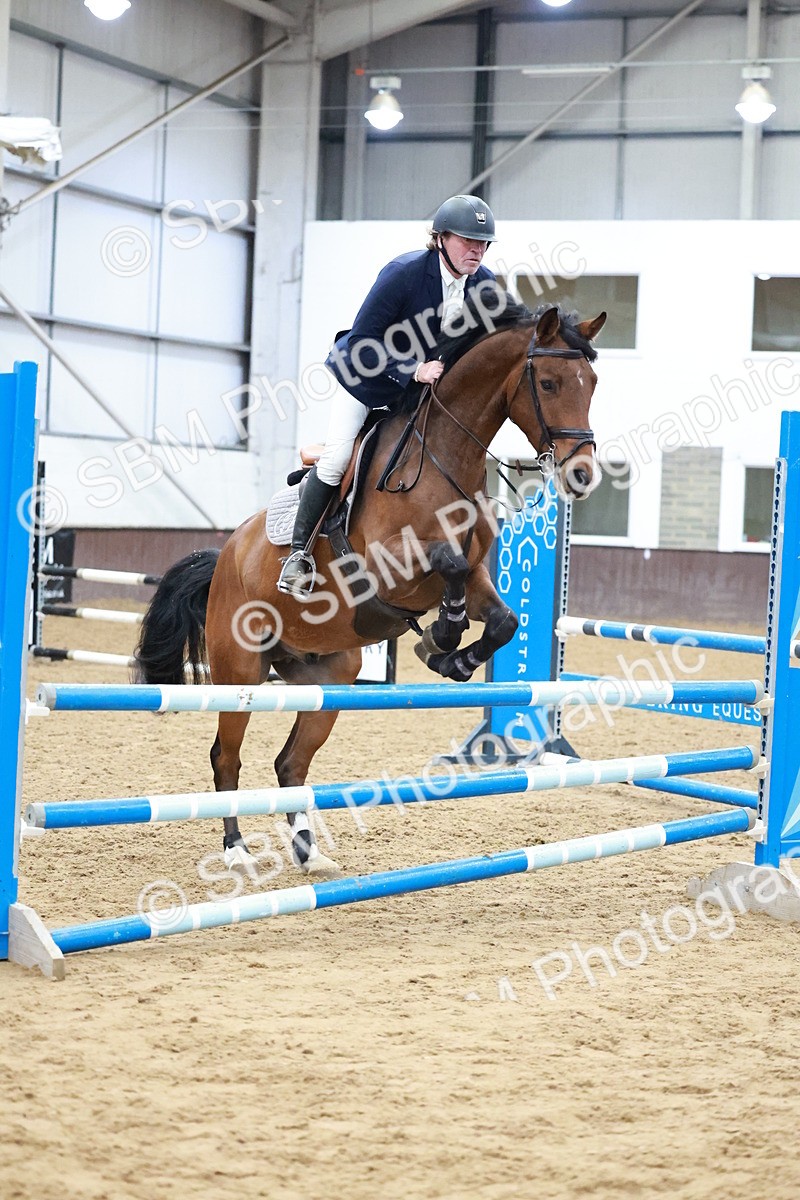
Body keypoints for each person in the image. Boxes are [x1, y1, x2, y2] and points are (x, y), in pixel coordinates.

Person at [277, 193, 498, 597]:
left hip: (420, 393)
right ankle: (299, 554)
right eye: (468, 240)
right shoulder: (404, 274)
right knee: (337, 457)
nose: (477, 250)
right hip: (366, 378)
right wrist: (413, 368)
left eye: (483, 243)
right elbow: (362, 341)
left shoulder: (484, 284)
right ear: (441, 238)